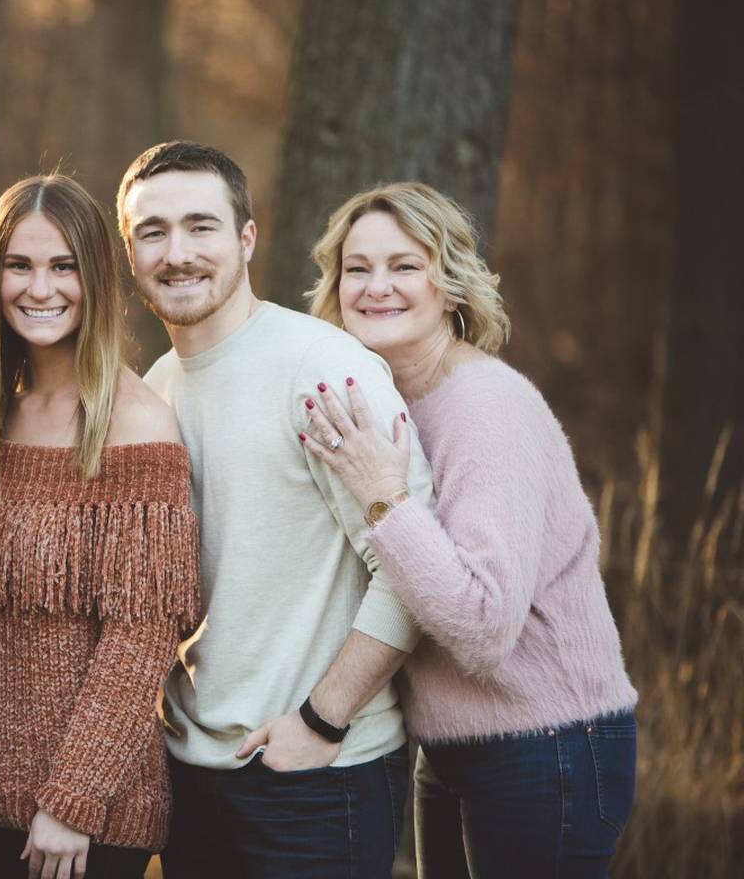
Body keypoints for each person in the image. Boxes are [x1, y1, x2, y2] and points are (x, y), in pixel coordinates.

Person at [114, 141, 437, 878]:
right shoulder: (157, 387)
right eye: (153, 232)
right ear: (129, 252)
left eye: (201, 226)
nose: (177, 253)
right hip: (196, 774)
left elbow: (412, 569)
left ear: (246, 239)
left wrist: (322, 719)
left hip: (315, 779)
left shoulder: (321, 369)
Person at [300, 181, 637, 878]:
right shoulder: (393, 402)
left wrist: (383, 499)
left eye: (403, 265)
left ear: (449, 285)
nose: (376, 286)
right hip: (452, 748)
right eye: (357, 268)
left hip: (549, 747)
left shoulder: (488, 408)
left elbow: (484, 627)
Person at [0, 175, 201, 879]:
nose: (41, 288)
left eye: (64, 267)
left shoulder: (136, 423)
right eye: (20, 266)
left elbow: (142, 637)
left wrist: (73, 800)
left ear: (96, 277)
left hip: (89, 824)